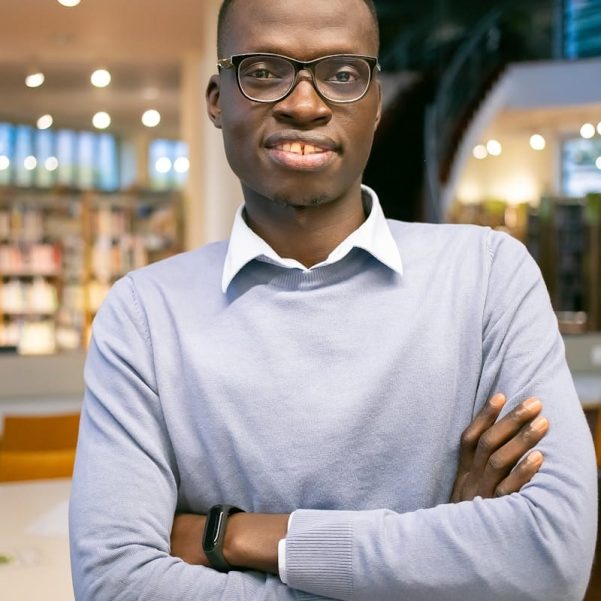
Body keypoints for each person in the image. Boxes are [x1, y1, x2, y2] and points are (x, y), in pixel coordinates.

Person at [69, 0, 597, 599]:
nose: (303, 104)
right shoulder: (143, 314)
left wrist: (235, 536)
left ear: (374, 102)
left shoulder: (487, 276)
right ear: (218, 99)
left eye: (343, 74)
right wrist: (439, 562)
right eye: (264, 71)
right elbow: (115, 586)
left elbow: (553, 558)